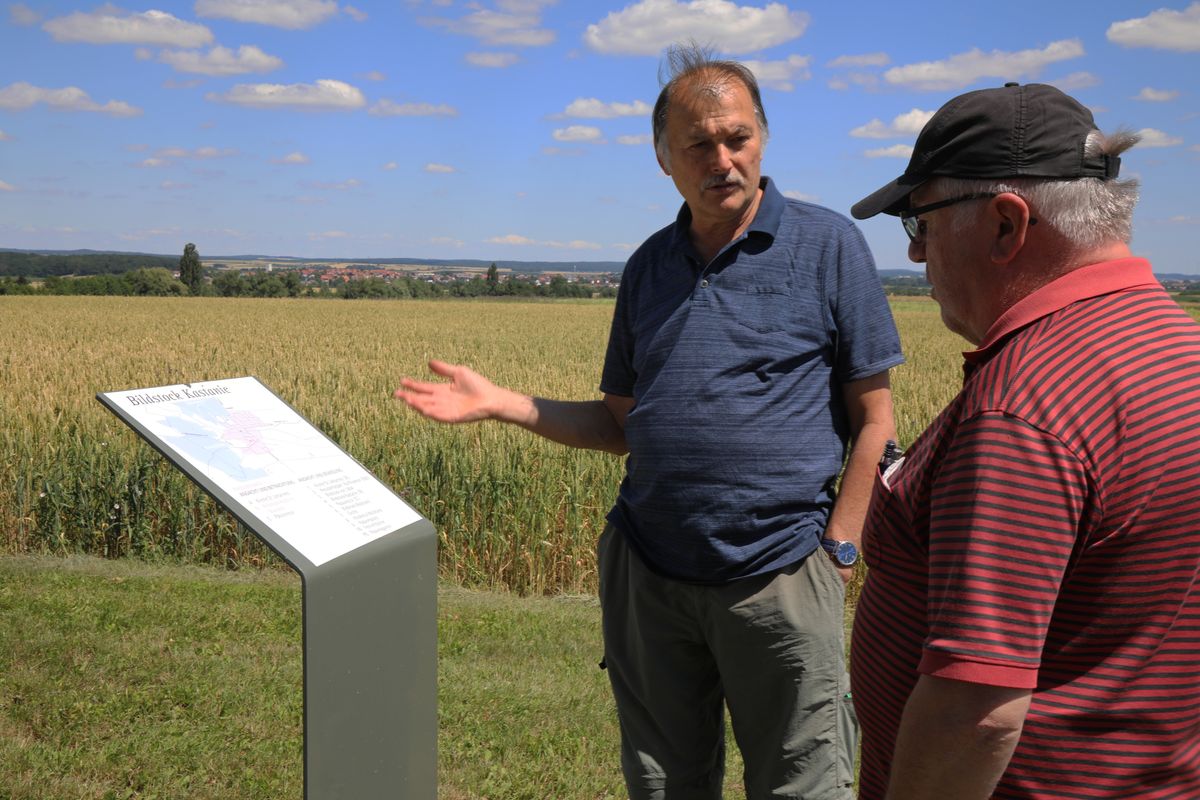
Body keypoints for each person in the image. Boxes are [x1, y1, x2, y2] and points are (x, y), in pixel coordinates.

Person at [397, 44, 903, 799]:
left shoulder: (829, 247)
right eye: (699, 144)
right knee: (665, 782)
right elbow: (620, 425)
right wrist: (502, 403)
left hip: (782, 575)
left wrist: (839, 550)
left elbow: (875, 419)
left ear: (763, 139)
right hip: (651, 577)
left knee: (803, 783)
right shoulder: (648, 267)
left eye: (738, 138)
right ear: (664, 157)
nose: (723, 159)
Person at [849, 82, 1200, 800]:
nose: (915, 252)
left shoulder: (1026, 411)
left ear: (1007, 225)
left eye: (920, 220)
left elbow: (974, 717)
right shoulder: (1177, 347)